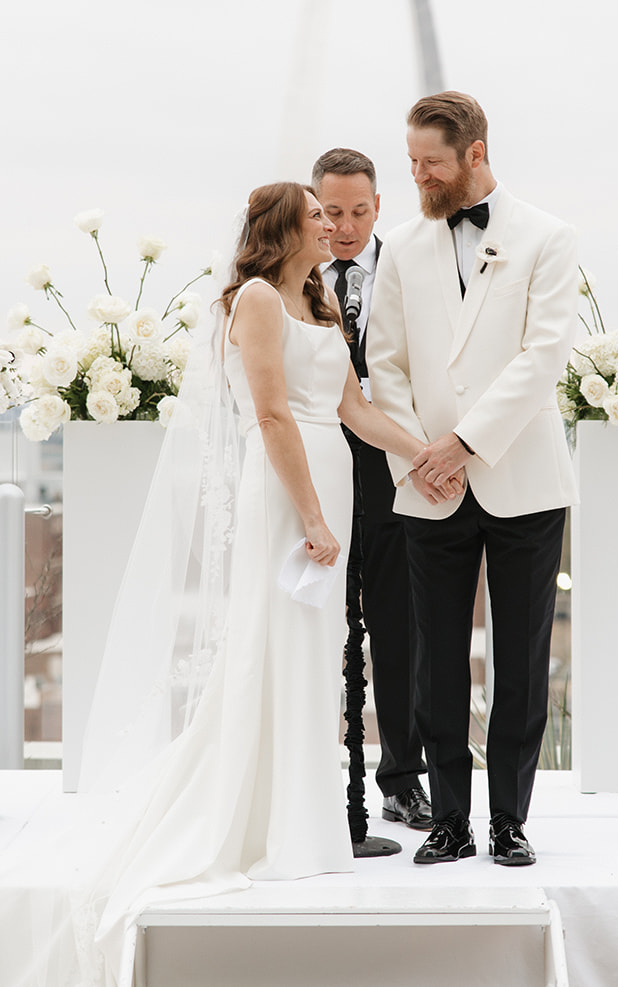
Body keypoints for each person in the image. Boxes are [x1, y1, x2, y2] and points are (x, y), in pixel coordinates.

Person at [69, 182, 448, 978]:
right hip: (286, 486)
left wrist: (424, 453)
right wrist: (311, 515)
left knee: (317, 650)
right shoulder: (255, 303)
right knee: (275, 642)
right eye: (315, 215)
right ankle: (269, 823)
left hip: (332, 474)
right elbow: (272, 416)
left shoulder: (319, 304)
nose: (329, 225)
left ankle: (301, 822)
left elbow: (352, 407)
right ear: (283, 228)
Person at [367, 92, 580, 867]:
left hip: (520, 475)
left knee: (522, 660)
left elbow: (542, 356)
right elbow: (383, 365)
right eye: (413, 161)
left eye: (432, 162)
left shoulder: (548, 238)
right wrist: (421, 458)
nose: (419, 175)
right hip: (427, 483)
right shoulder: (400, 246)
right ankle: (450, 818)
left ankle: (510, 820)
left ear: (476, 154)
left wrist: (463, 443)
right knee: (435, 661)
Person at [311, 147, 432, 832]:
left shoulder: (409, 271)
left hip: (394, 474)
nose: (347, 226)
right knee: (320, 624)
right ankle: (315, 776)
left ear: (380, 206)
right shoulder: (294, 277)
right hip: (319, 472)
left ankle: (402, 778)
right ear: (313, 207)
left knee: (399, 628)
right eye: (332, 212)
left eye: (359, 211)